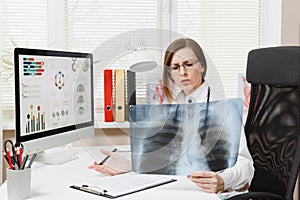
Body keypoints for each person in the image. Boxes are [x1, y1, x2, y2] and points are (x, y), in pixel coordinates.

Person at [88, 38, 254, 194]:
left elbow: (246, 165)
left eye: (188, 64)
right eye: (175, 67)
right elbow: (157, 161)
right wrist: (129, 165)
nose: (182, 72)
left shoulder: (223, 107)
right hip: (174, 188)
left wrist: (223, 180)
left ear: (202, 66)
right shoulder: (170, 107)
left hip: (207, 192)